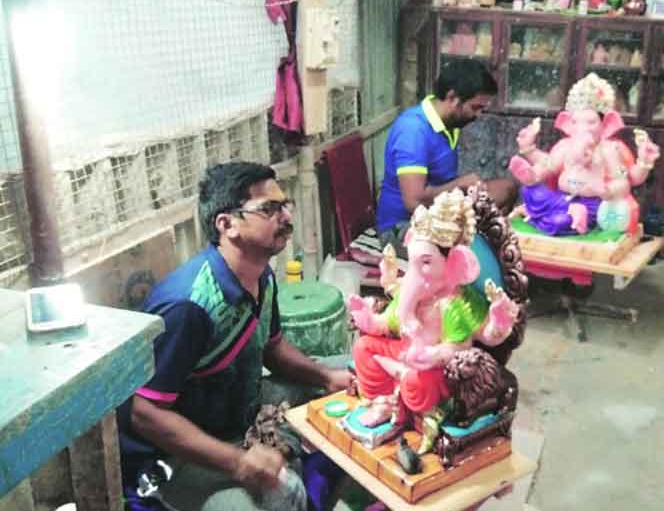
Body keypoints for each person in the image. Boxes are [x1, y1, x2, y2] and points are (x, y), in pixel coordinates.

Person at [117, 162, 354, 511]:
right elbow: (145, 414)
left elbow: (273, 348)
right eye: (269, 209)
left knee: (356, 370)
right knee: (262, 501)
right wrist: (239, 462)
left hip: (238, 412)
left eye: (285, 205)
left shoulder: (261, 277)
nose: (287, 217)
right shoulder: (190, 306)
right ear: (226, 224)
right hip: (175, 453)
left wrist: (327, 377)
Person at [376, 60, 517, 258]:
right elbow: (413, 201)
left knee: (506, 189)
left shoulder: (449, 123)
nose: (478, 115)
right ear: (452, 98)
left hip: (441, 210)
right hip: (405, 227)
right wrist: (460, 185)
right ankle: (480, 255)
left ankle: (486, 247)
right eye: (475, 107)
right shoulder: (413, 130)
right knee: (472, 249)